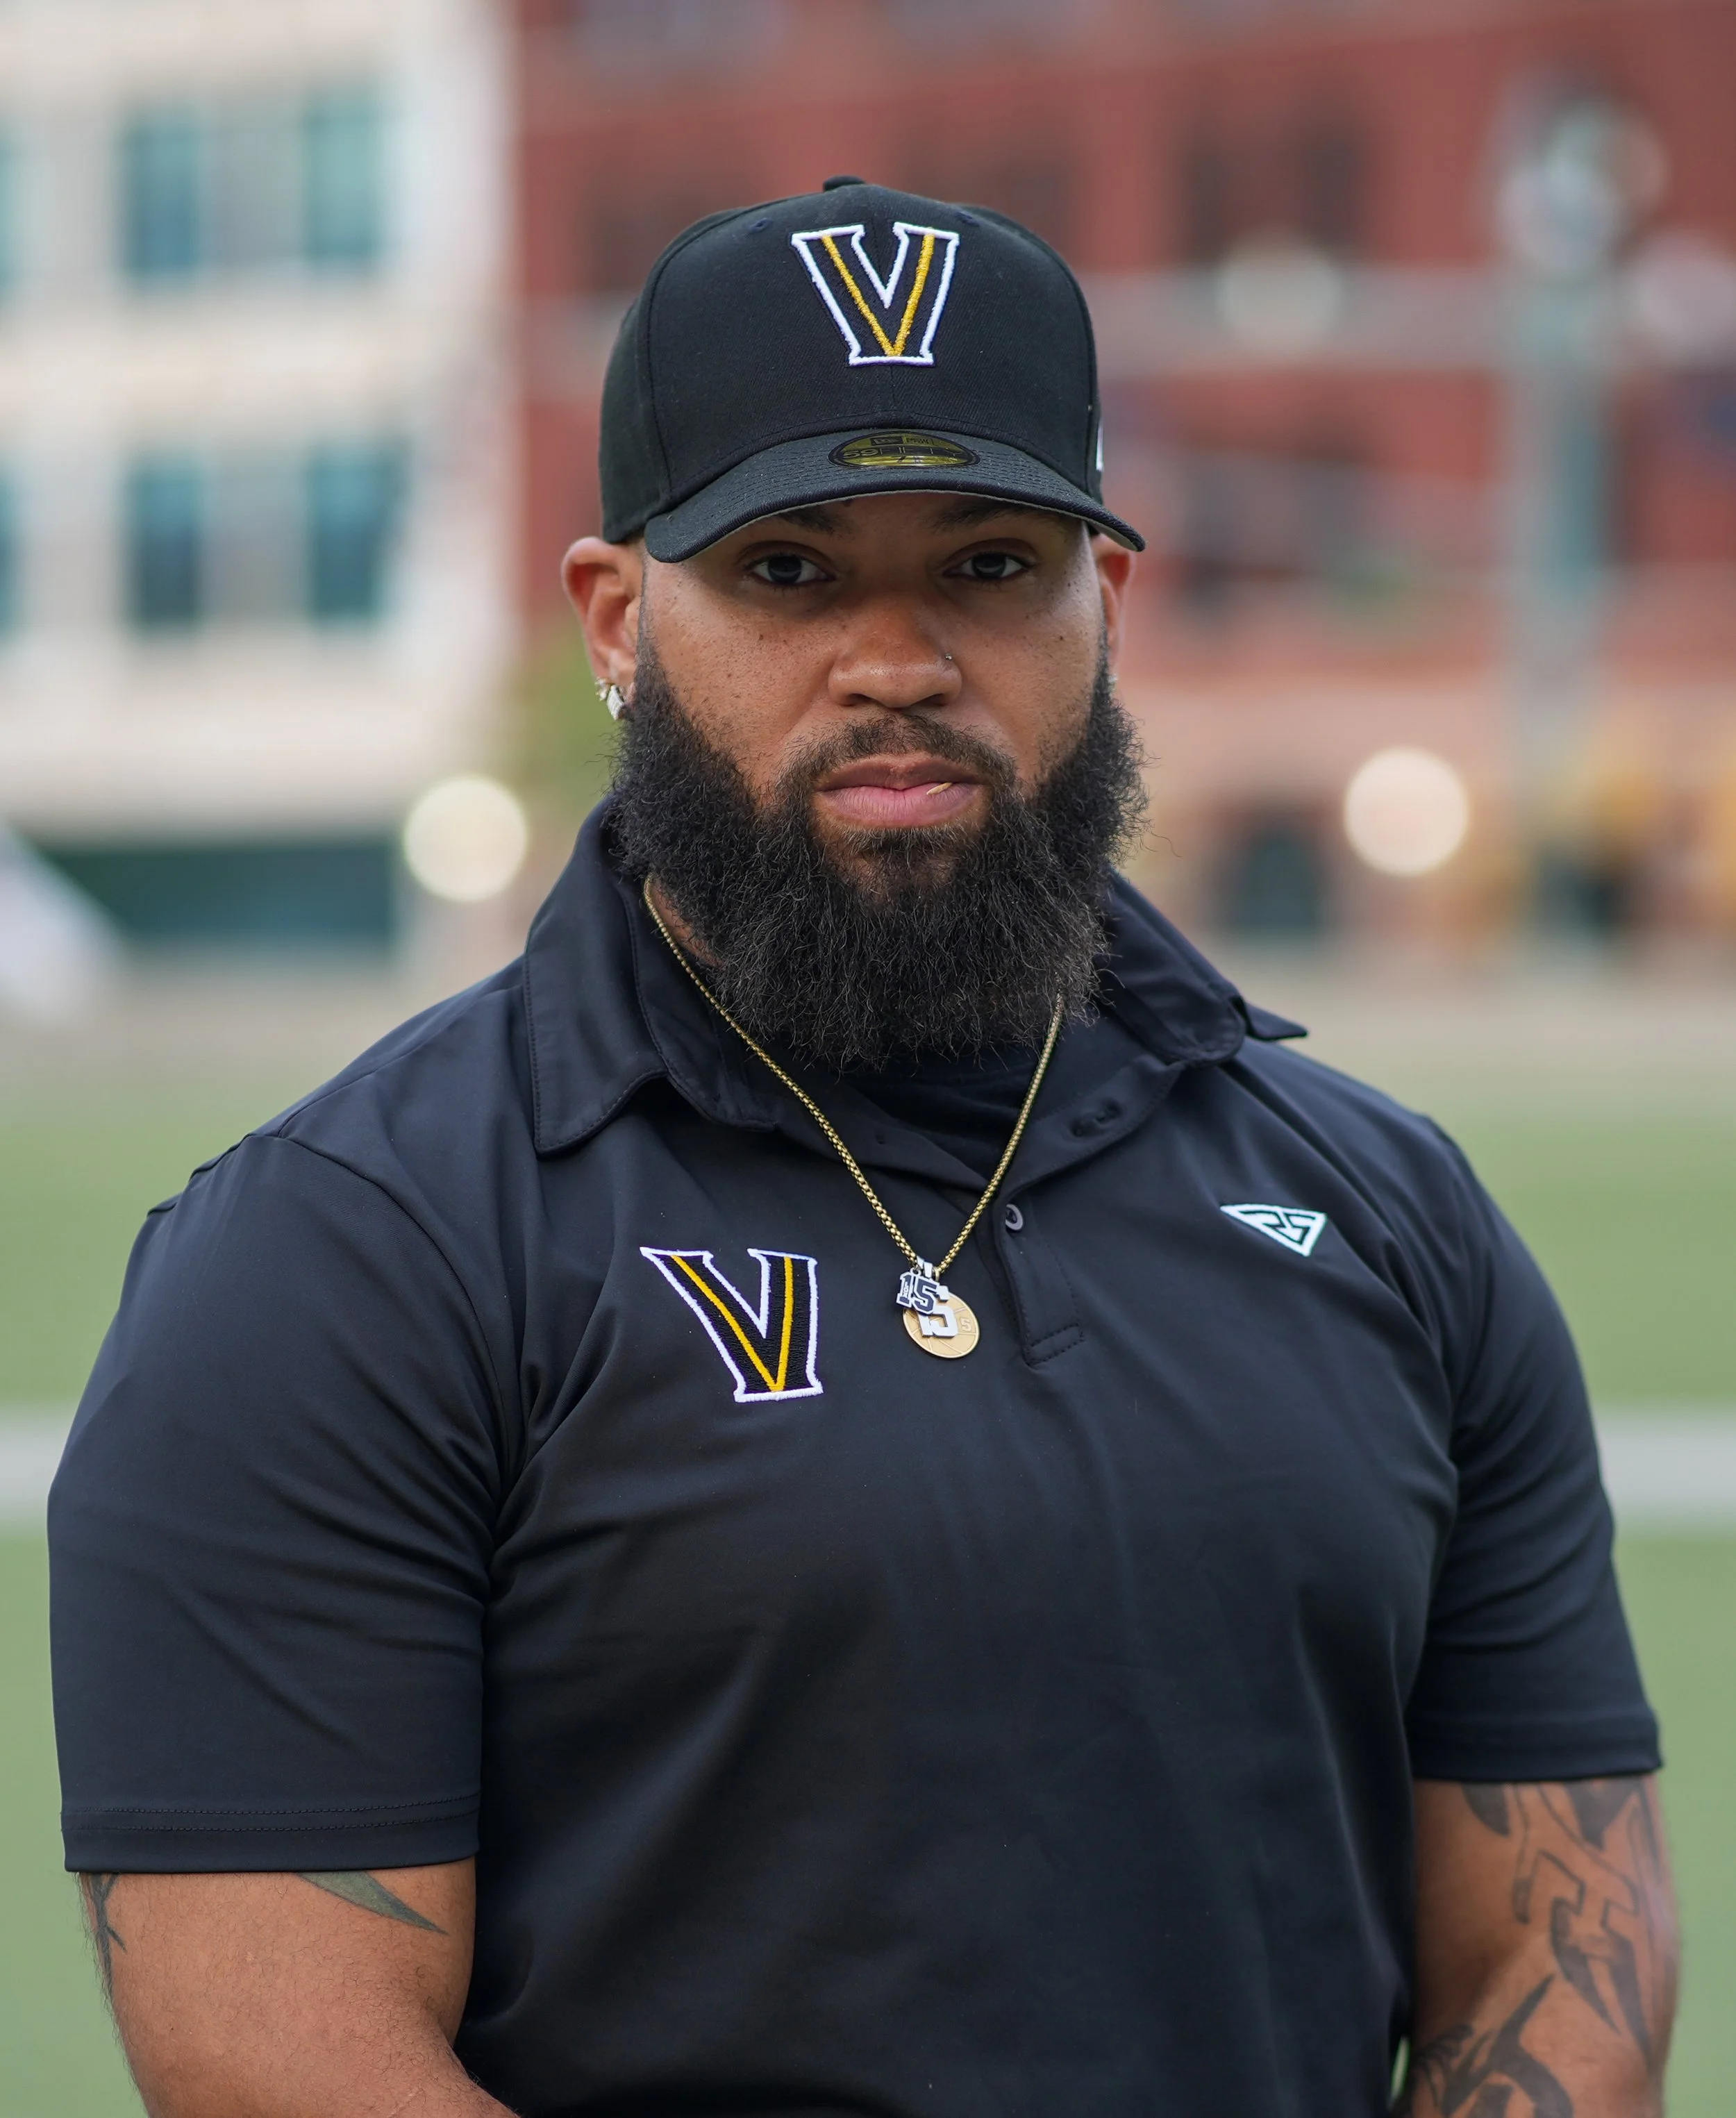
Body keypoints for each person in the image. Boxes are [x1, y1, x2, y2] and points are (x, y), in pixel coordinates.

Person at [51, 178, 1675, 2118]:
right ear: (616, 623)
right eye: (791, 572)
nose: (896, 659)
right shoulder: (343, 1247)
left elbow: (1552, 1959)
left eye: (989, 564)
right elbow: (271, 2052)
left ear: (1105, 605)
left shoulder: (1388, 1211)